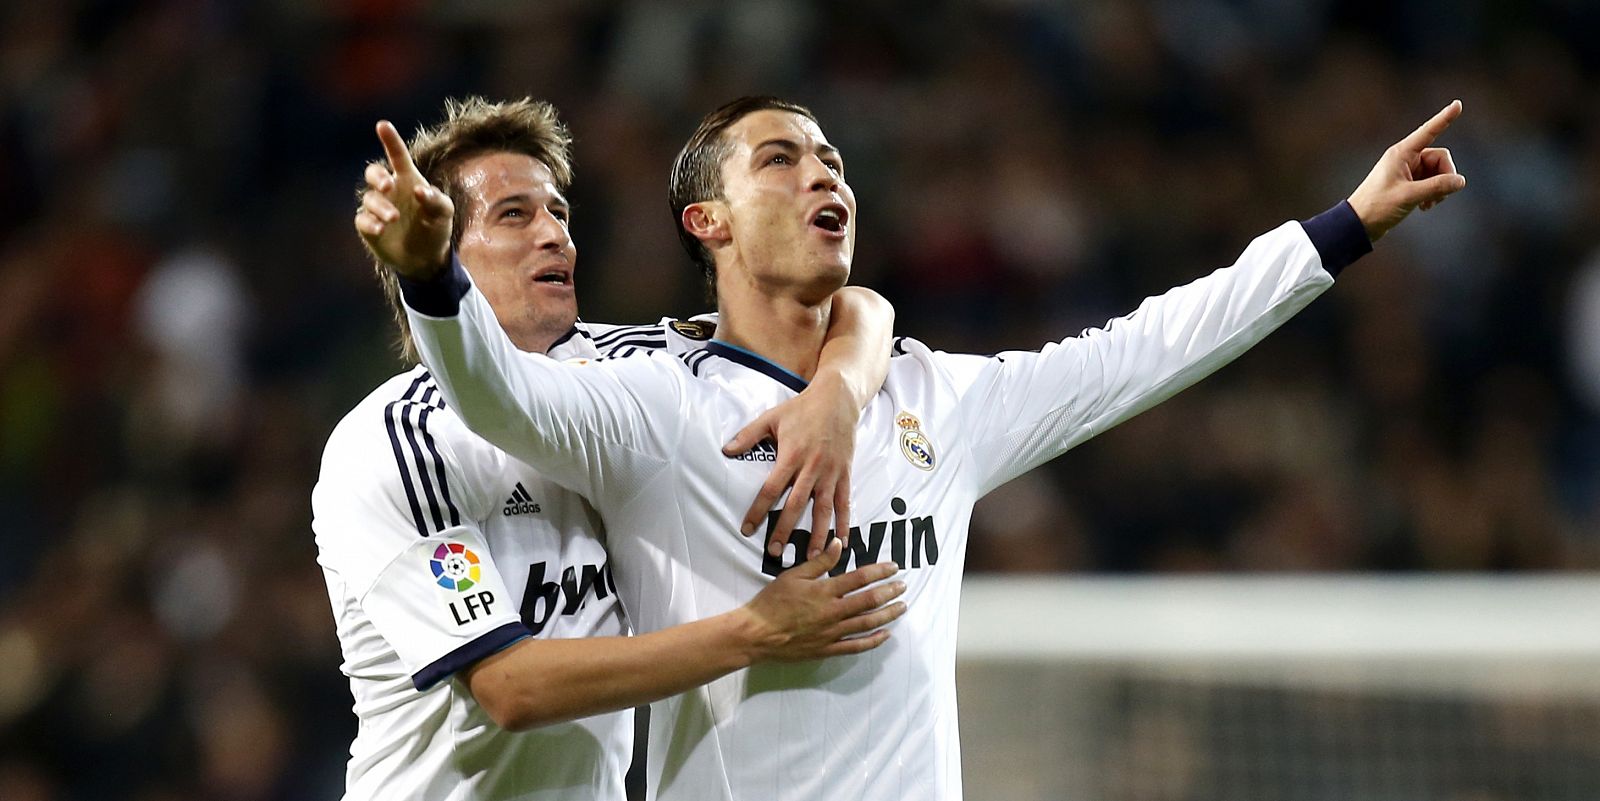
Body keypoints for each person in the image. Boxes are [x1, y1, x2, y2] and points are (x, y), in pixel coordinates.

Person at [366, 95, 1466, 800]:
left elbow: (1149, 347)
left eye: (832, 159)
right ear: (707, 223)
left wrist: (1344, 227)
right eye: (780, 160)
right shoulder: (650, 406)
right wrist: (431, 279)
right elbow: (496, 397)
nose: (822, 175)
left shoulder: (939, 399)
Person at [316, 96, 908, 801]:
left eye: (560, 214)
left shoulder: (635, 374)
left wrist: (838, 390)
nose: (556, 237)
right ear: (439, 246)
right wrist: (754, 630)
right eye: (515, 215)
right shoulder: (395, 441)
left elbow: (851, 308)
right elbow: (511, 688)